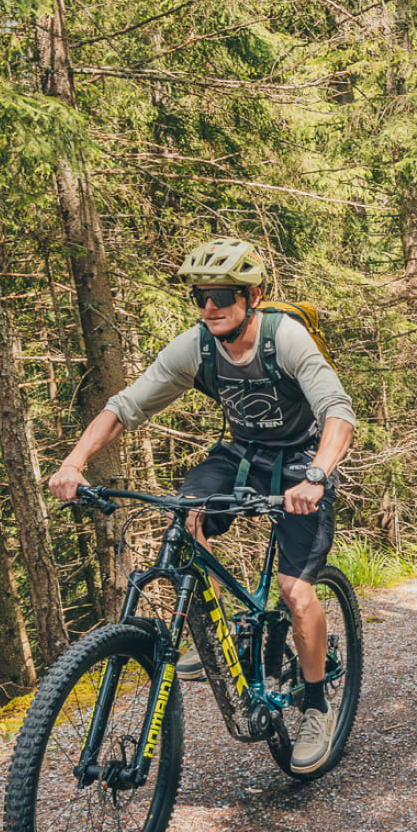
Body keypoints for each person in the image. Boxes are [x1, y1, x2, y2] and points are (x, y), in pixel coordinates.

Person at [48, 237, 356, 774]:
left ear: (252, 296)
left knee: (294, 589)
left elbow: (338, 411)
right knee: (183, 517)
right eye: (200, 297)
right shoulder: (195, 347)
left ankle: (315, 704)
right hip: (240, 455)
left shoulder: (286, 339)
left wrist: (316, 476)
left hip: (303, 460)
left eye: (222, 295)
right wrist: (74, 463)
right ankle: (217, 637)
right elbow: (125, 407)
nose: (210, 307)